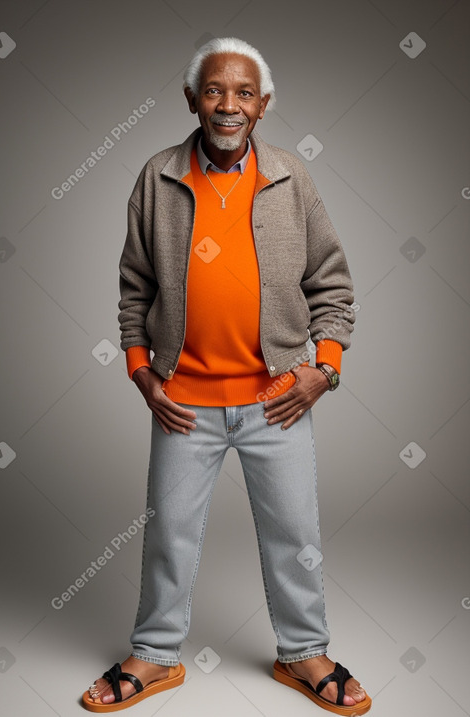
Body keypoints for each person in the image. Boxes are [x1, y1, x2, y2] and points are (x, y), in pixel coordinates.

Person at [82, 37, 371, 715]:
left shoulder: (291, 179)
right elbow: (133, 289)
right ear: (192, 99)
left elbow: (333, 285)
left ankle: (304, 650)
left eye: (244, 92)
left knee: (295, 534)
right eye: (214, 90)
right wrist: (141, 374)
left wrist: (322, 372)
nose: (228, 104)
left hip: (278, 400)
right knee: (170, 532)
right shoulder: (157, 178)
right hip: (183, 401)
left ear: (263, 105)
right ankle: (155, 654)